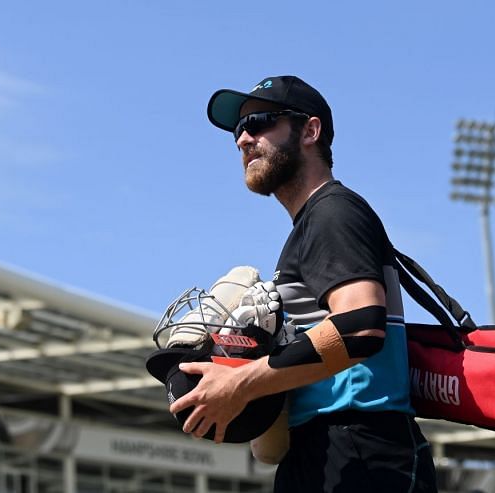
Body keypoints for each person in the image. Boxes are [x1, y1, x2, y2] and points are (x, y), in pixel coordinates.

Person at [169, 75, 437, 493]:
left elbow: (361, 325)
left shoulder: (332, 212)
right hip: (329, 449)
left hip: (360, 449)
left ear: (310, 131)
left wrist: (240, 383)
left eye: (258, 122)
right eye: (238, 130)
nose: (242, 139)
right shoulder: (314, 221)